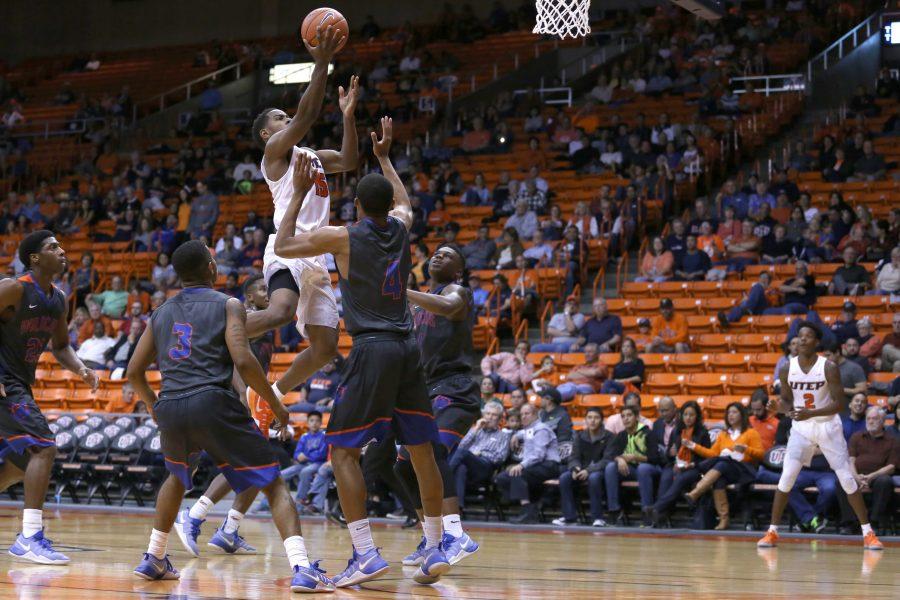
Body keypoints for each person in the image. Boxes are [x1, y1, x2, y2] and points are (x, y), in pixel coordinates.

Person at [271, 117, 450, 585]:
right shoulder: (403, 228)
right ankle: (435, 546)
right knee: (421, 450)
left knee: (342, 452)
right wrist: (386, 157)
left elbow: (285, 243)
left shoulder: (346, 236)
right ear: (387, 205)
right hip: (408, 347)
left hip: (372, 349)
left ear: (355, 205)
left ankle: (366, 553)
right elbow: (407, 202)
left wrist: (295, 193)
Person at [124, 241, 333, 590]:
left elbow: (133, 371)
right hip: (212, 401)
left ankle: (154, 557)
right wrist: (276, 403)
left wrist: (151, 404)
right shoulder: (228, 304)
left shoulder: (159, 312)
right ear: (210, 267)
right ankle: (302, 568)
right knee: (273, 483)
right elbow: (244, 360)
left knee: (176, 477)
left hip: (172, 404)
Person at [248, 27, 358, 428]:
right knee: (279, 313)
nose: (287, 118)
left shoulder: (309, 154)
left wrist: (347, 117)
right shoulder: (274, 153)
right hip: (288, 244)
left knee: (327, 347)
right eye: (279, 118)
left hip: (317, 253)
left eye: (286, 115)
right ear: (266, 133)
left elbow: (348, 159)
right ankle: (214, 326)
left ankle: (273, 392)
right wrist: (322, 63)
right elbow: (308, 115)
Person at [0, 231, 99, 565]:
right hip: (4, 383)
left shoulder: (58, 297)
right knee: (43, 445)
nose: (62, 250)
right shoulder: (14, 287)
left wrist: (81, 369)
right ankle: (29, 537)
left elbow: (60, 346)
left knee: (22, 465)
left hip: (19, 385)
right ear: (35, 258)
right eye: (53, 247)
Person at [756, 321, 883, 550]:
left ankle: (868, 533)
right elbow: (787, 401)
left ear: (816, 342)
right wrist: (779, 408)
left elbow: (839, 404)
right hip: (801, 428)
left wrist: (810, 413)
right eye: (799, 336)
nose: (801, 340)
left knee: (845, 478)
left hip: (827, 426)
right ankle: (772, 531)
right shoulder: (787, 368)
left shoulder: (828, 367)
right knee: (786, 477)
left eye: (806, 337)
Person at [401, 243, 483, 566]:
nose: (438, 255)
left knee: (434, 452)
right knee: (403, 464)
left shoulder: (459, 292)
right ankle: (432, 538)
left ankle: (455, 533)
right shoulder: (421, 307)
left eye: (447, 255)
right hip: (426, 391)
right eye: (436, 252)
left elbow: (448, 307)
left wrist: (405, 293)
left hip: (456, 389)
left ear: (459, 270)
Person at [683, 402, 763, 530]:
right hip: (727, 469)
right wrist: (693, 446)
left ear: (742, 415)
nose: (731, 415)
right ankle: (724, 519)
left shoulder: (751, 433)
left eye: (734, 412)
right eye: (729, 412)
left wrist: (746, 449)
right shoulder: (723, 435)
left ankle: (696, 493)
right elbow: (712, 454)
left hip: (745, 470)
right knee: (719, 475)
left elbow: (761, 455)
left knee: (723, 463)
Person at [493, 403, 560, 524]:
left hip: (549, 465)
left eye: (527, 414)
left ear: (535, 415)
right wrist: (516, 436)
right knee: (501, 478)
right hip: (536, 467)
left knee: (518, 473)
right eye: (522, 414)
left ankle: (527, 512)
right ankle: (531, 506)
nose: (523, 417)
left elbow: (539, 455)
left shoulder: (542, 430)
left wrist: (521, 465)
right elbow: (524, 433)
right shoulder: (528, 429)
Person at [650, 401, 710, 526]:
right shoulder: (677, 431)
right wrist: (670, 454)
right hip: (676, 464)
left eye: (691, 415)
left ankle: (657, 508)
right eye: (685, 414)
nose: (688, 418)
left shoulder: (702, 433)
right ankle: (662, 515)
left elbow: (707, 457)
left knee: (681, 478)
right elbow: (668, 455)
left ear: (697, 416)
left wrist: (692, 464)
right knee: (666, 476)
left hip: (694, 467)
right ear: (681, 416)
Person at [839, 407, 898, 533]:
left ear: (883, 421)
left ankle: (874, 523)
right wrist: (856, 476)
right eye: (868, 418)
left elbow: (891, 467)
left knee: (885, 481)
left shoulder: (892, 440)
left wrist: (871, 476)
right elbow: (851, 460)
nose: (871, 421)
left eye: (875, 418)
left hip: (878, 476)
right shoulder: (857, 436)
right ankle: (851, 523)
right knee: (841, 481)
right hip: (858, 474)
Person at [552, 407, 613, 527]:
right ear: (585, 420)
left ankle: (597, 518)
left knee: (594, 478)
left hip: (600, 471)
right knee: (565, 477)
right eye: (590, 417)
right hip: (582, 470)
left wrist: (588, 470)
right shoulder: (580, 435)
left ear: (602, 420)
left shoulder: (609, 436)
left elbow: (607, 459)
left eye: (596, 418)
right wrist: (575, 468)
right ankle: (569, 517)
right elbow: (574, 457)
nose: (593, 421)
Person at [603, 405, 663, 526]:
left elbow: (655, 458)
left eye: (629, 415)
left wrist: (636, 457)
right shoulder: (621, 435)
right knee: (610, 467)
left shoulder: (647, 432)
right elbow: (612, 455)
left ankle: (647, 512)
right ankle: (615, 511)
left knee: (643, 468)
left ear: (636, 417)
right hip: (630, 470)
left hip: (649, 468)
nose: (626, 419)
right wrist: (620, 459)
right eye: (623, 416)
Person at [451, 401, 510, 511]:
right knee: (460, 468)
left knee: (463, 453)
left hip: (485, 467)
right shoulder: (475, 430)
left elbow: (501, 458)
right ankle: (457, 508)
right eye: (488, 414)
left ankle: (443, 476)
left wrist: (480, 453)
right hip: (468, 466)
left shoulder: (503, 436)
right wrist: (476, 428)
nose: (490, 417)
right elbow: (461, 445)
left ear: (500, 419)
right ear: (483, 415)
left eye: (494, 415)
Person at [280, 411, 328, 504]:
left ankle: (300, 500)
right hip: (304, 464)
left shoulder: (324, 436)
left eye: (317, 421)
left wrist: (307, 456)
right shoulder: (304, 437)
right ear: (307, 423)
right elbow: (296, 454)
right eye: (312, 420)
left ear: (321, 423)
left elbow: (322, 454)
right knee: (281, 475)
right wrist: (298, 456)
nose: (314, 423)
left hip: (318, 464)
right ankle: (275, 502)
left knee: (305, 472)